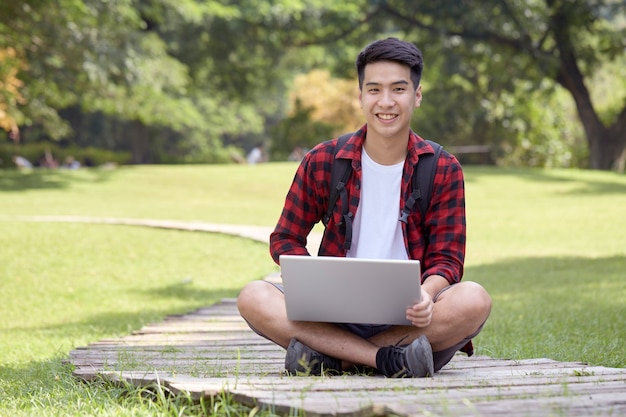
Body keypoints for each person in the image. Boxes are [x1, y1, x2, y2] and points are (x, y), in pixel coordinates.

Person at [237, 38, 492, 378]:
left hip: (409, 319)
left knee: (474, 299)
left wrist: (426, 294)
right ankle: (387, 361)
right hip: (331, 316)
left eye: (398, 89)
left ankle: (331, 358)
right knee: (253, 296)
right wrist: (310, 285)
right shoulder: (324, 160)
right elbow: (285, 238)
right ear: (360, 97)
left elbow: (448, 259)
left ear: (416, 96)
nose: (385, 102)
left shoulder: (442, 167)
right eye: (374, 90)